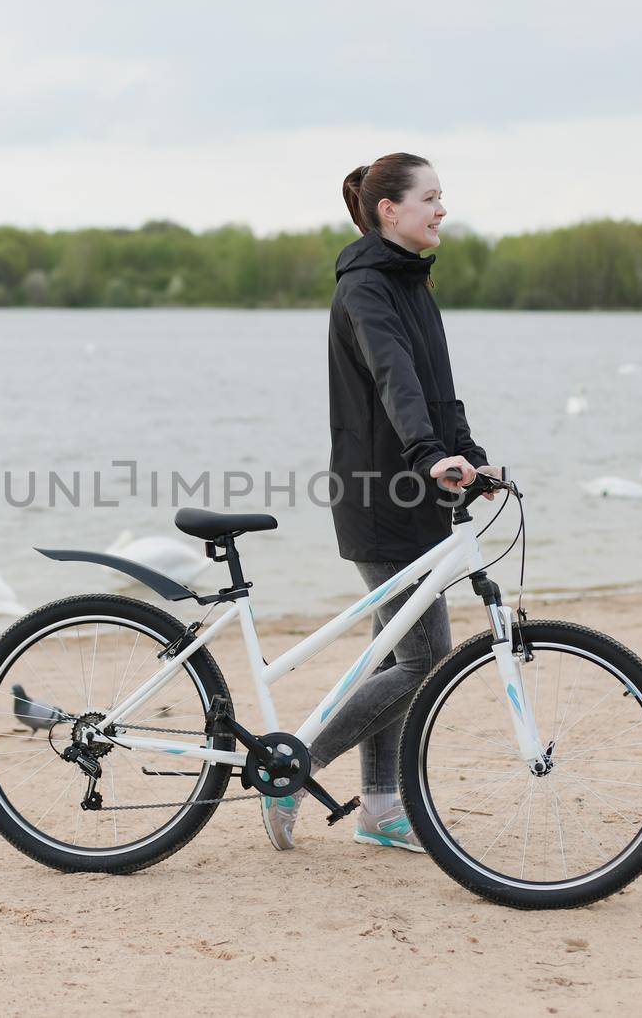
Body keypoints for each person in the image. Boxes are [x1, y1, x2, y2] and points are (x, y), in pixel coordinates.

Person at [261, 152, 499, 853]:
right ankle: (294, 767)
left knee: (394, 650)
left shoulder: (413, 284)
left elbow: (437, 389)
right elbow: (395, 377)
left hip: (416, 492)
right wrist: (429, 455)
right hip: (380, 496)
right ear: (390, 209)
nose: (442, 209)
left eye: (442, 196)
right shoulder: (367, 288)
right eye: (430, 197)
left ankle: (382, 805)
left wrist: (470, 456)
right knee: (425, 655)